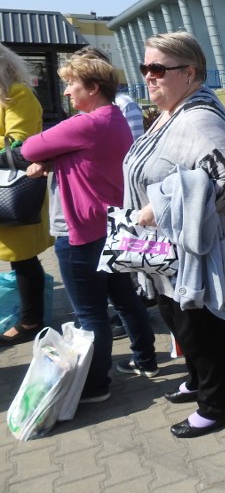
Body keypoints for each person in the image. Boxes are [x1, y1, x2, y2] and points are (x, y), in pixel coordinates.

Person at [123, 31, 225, 438]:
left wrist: (160, 206)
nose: (148, 77)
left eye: (157, 69)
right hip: (171, 245)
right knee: (178, 318)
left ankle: (218, 406)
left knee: (205, 325)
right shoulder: (173, 110)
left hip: (200, 247)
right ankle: (199, 381)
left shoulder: (199, 119)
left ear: (189, 72)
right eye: (144, 68)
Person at [21, 51, 157, 402]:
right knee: (126, 299)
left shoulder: (85, 124)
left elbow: (31, 147)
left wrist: (48, 158)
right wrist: (58, 157)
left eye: (71, 84)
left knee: (90, 313)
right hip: (111, 224)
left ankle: (96, 385)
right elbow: (80, 155)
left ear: (93, 87)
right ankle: (146, 358)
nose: (66, 92)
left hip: (80, 231)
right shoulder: (115, 119)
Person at [0, 44, 53, 346]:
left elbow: (18, 146)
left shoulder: (17, 94)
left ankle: (31, 321)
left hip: (13, 190)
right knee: (18, 260)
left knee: (24, 260)